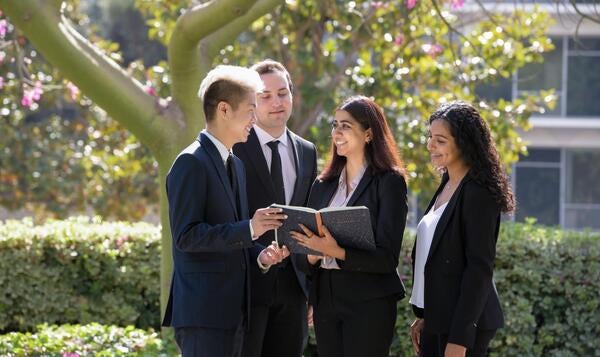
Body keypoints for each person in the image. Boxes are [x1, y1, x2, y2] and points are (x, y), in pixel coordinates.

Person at [161, 65, 291, 357]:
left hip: (235, 315)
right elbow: (187, 236)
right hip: (204, 316)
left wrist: (260, 255)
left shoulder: (236, 164)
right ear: (224, 109)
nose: (254, 119)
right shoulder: (190, 163)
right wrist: (250, 228)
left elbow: (233, 235)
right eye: (250, 110)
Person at [290, 95, 408, 357]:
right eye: (335, 124)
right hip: (326, 299)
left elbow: (387, 258)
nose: (337, 132)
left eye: (346, 125)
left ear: (368, 134)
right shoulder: (322, 186)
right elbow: (302, 258)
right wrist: (311, 252)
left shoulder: (389, 182)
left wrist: (335, 251)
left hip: (369, 301)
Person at [409, 101, 514, 357]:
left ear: (464, 143)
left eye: (441, 140)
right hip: (439, 320)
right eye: (430, 137)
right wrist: (426, 315)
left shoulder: (478, 193)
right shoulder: (447, 184)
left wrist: (460, 338)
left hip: (462, 327)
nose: (430, 146)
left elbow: (479, 269)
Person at [233, 59, 318, 357]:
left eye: (282, 93)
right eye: (265, 96)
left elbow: (310, 219)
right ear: (251, 102)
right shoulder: (234, 148)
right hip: (245, 287)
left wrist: (313, 291)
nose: (276, 102)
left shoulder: (307, 151)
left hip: (295, 290)